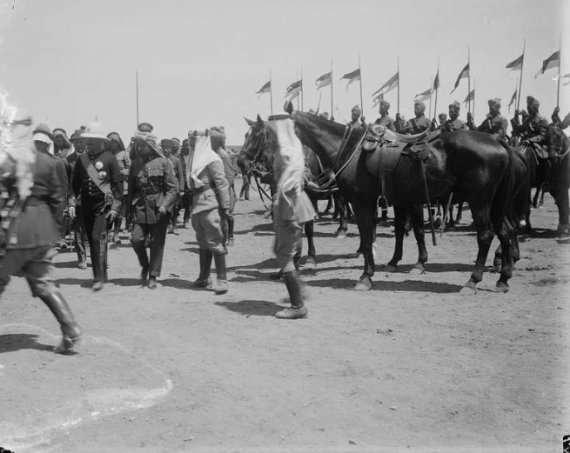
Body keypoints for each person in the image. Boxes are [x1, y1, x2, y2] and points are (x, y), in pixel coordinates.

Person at [0, 110, 81, 353]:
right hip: (42, 229)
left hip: (16, 228)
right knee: (44, 283)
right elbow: (58, 200)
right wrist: (55, 232)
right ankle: (71, 332)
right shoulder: (51, 163)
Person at [267, 114, 316, 319]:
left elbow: (287, 186)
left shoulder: (286, 153)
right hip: (286, 209)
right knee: (281, 253)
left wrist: (286, 217)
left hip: (288, 211)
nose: (268, 136)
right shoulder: (287, 150)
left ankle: (298, 306)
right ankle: (299, 291)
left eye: (271, 132)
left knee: (285, 257)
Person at [71, 122, 122, 291]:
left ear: (101, 142)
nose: (88, 145)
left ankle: (99, 277)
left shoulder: (109, 158)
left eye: (91, 141)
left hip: (104, 206)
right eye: (87, 142)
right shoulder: (82, 159)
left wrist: (115, 207)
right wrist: (71, 202)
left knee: (96, 238)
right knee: (94, 241)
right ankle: (100, 275)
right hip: (86, 205)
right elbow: (75, 185)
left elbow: (117, 186)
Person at [128, 131, 178, 289]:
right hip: (141, 206)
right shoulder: (135, 164)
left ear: (151, 146)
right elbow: (131, 189)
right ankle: (145, 264)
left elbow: (172, 188)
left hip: (158, 207)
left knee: (157, 243)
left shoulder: (164, 163)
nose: (141, 149)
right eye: (139, 146)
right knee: (136, 240)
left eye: (144, 146)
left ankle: (153, 275)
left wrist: (165, 205)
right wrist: (129, 210)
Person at [187, 128, 230, 294]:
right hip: (197, 202)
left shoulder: (212, 159)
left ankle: (222, 280)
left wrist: (225, 207)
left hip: (210, 203)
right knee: (203, 242)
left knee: (215, 241)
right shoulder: (194, 158)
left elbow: (222, 183)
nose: (190, 143)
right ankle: (204, 278)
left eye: (193, 140)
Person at [210, 126, 237, 246]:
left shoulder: (224, 155)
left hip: (224, 191)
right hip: (213, 191)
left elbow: (230, 176)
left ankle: (230, 237)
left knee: (228, 215)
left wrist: (220, 188)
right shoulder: (210, 155)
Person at [66, 129, 88, 268]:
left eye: (81, 141)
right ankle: (82, 258)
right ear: (73, 144)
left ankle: (96, 257)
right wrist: (70, 201)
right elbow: (67, 182)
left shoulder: (92, 158)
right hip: (77, 198)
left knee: (93, 230)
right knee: (79, 230)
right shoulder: (68, 161)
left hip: (93, 199)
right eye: (76, 142)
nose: (79, 144)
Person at [107, 132, 130, 244]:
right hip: (109, 186)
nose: (113, 145)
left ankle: (116, 234)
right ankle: (108, 232)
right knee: (109, 209)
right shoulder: (106, 154)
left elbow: (130, 169)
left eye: (115, 142)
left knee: (120, 212)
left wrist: (122, 172)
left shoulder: (124, 154)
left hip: (122, 186)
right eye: (111, 142)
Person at [160, 138, 184, 234]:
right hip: (163, 187)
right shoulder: (160, 159)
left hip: (174, 187)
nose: (166, 150)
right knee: (165, 207)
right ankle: (167, 225)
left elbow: (181, 176)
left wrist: (182, 189)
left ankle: (174, 226)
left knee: (174, 208)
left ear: (171, 149)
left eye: (168, 148)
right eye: (164, 148)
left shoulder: (176, 160)